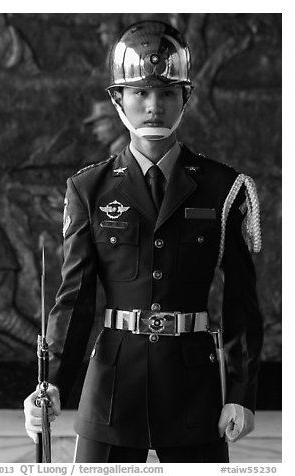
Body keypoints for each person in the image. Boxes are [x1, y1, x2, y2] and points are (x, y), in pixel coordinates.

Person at [24, 20, 263, 463]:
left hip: (194, 389)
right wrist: (53, 379)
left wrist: (243, 393)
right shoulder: (89, 189)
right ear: (118, 99)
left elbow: (242, 302)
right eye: (139, 93)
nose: (154, 105)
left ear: (185, 98)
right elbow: (74, 297)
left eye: (168, 93)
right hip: (113, 387)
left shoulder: (223, 187)